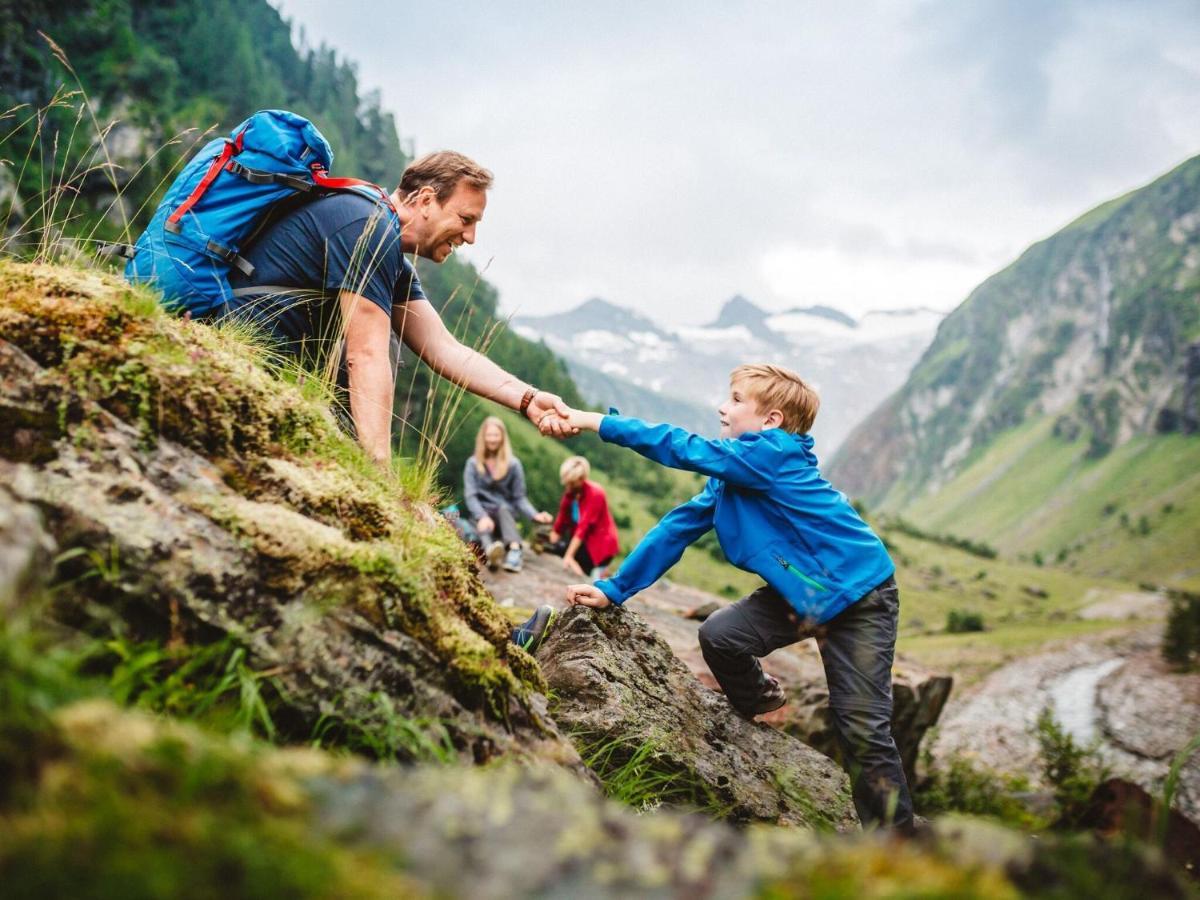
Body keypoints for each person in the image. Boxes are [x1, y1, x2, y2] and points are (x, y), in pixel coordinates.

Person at [557, 364, 913, 831]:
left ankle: (898, 847)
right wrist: (613, 589)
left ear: (772, 420)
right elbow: (676, 530)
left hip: (859, 598)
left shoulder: (771, 457)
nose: (723, 408)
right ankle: (761, 697)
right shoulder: (733, 475)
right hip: (801, 592)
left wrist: (592, 421)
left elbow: (678, 446)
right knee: (721, 635)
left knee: (862, 731)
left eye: (737, 400)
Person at [220, 149, 570, 461]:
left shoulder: (386, 249)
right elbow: (365, 355)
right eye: (466, 220)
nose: (471, 238)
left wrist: (528, 399)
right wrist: (380, 471)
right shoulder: (366, 226)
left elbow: (444, 348)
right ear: (426, 200)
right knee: (379, 344)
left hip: (270, 360)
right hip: (243, 350)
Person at [463, 416, 552, 572]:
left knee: (504, 508)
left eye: (496, 435)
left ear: (502, 438)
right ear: (483, 437)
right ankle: (491, 551)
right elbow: (471, 496)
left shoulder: (513, 464)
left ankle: (515, 550)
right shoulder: (472, 463)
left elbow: (519, 498)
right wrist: (482, 516)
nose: (492, 439)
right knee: (481, 528)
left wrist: (534, 515)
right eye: (489, 435)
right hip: (482, 516)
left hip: (505, 518)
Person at [547, 456, 619, 578]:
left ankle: (595, 572)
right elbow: (561, 521)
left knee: (563, 550)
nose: (568, 486)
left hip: (599, 546)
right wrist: (550, 540)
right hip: (583, 543)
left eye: (572, 483)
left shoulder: (595, 493)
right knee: (555, 546)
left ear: (581, 479)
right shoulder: (570, 495)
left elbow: (582, 528)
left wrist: (569, 556)